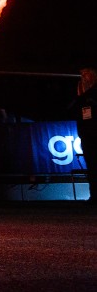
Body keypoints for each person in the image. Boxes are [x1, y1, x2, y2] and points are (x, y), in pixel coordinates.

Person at [67, 67, 96, 202]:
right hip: (86, 135)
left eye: (86, 74)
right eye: (82, 75)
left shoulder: (93, 93)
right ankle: (94, 195)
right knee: (91, 165)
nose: (83, 77)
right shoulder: (81, 93)